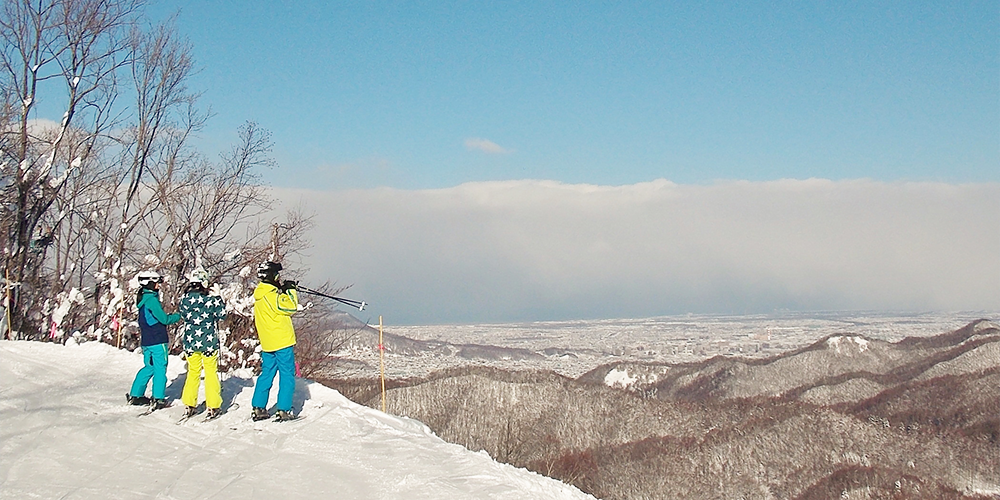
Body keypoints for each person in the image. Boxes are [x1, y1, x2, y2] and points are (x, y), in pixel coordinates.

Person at [250, 261, 300, 421]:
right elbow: (291, 307)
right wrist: (290, 290)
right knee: (286, 375)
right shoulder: (272, 296)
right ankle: (284, 409)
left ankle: (258, 407)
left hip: (267, 342)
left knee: (267, 374)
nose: (279, 278)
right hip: (282, 341)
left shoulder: (260, 294)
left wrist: (282, 290)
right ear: (273, 276)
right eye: (277, 275)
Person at [127, 270, 182, 409]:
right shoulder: (152, 300)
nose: (158, 285)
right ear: (150, 283)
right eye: (157, 282)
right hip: (158, 339)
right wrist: (178, 316)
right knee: (160, 368)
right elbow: (164, 319)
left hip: (147, 341)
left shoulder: (143, 298)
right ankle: (158, 398)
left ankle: (136, 394)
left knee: (149, 367)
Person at [178, 267, 227, 419]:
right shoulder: (210, 301)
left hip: (190, 343)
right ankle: (213, 405)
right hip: (208, 343)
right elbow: (222, 315)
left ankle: (189, 404)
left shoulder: (184, 300)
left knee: (193, 372)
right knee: (211, 372)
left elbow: (183, 315)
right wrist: (218, 297)